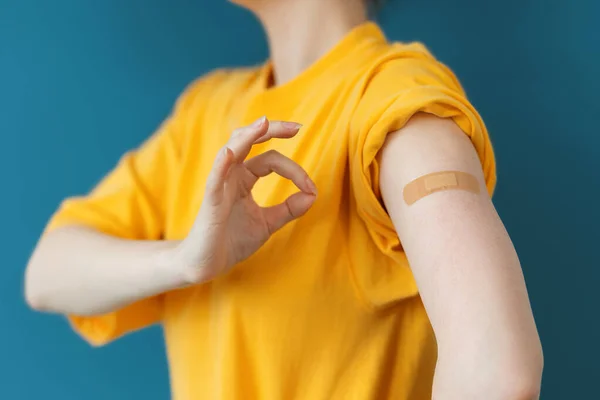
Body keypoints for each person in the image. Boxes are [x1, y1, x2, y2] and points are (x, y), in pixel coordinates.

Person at [24, 0, 544, 398]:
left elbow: (498, 367)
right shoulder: (204, 113)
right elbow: (46, 276)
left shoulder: (393, 101)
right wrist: (183, 260)